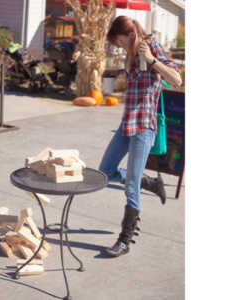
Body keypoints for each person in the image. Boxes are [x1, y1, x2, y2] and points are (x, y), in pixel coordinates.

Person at [99, 16, 182, 257]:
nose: (118, 45)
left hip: (144, 127)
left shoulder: (150, 46)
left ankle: (124, 240)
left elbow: (176, 79)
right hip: (127, 124)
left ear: (128, 33)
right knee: (105, 172)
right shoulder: (129, 53)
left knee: (131, 187)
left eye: (119, 40)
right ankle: (150, 182)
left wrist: (152, 60)